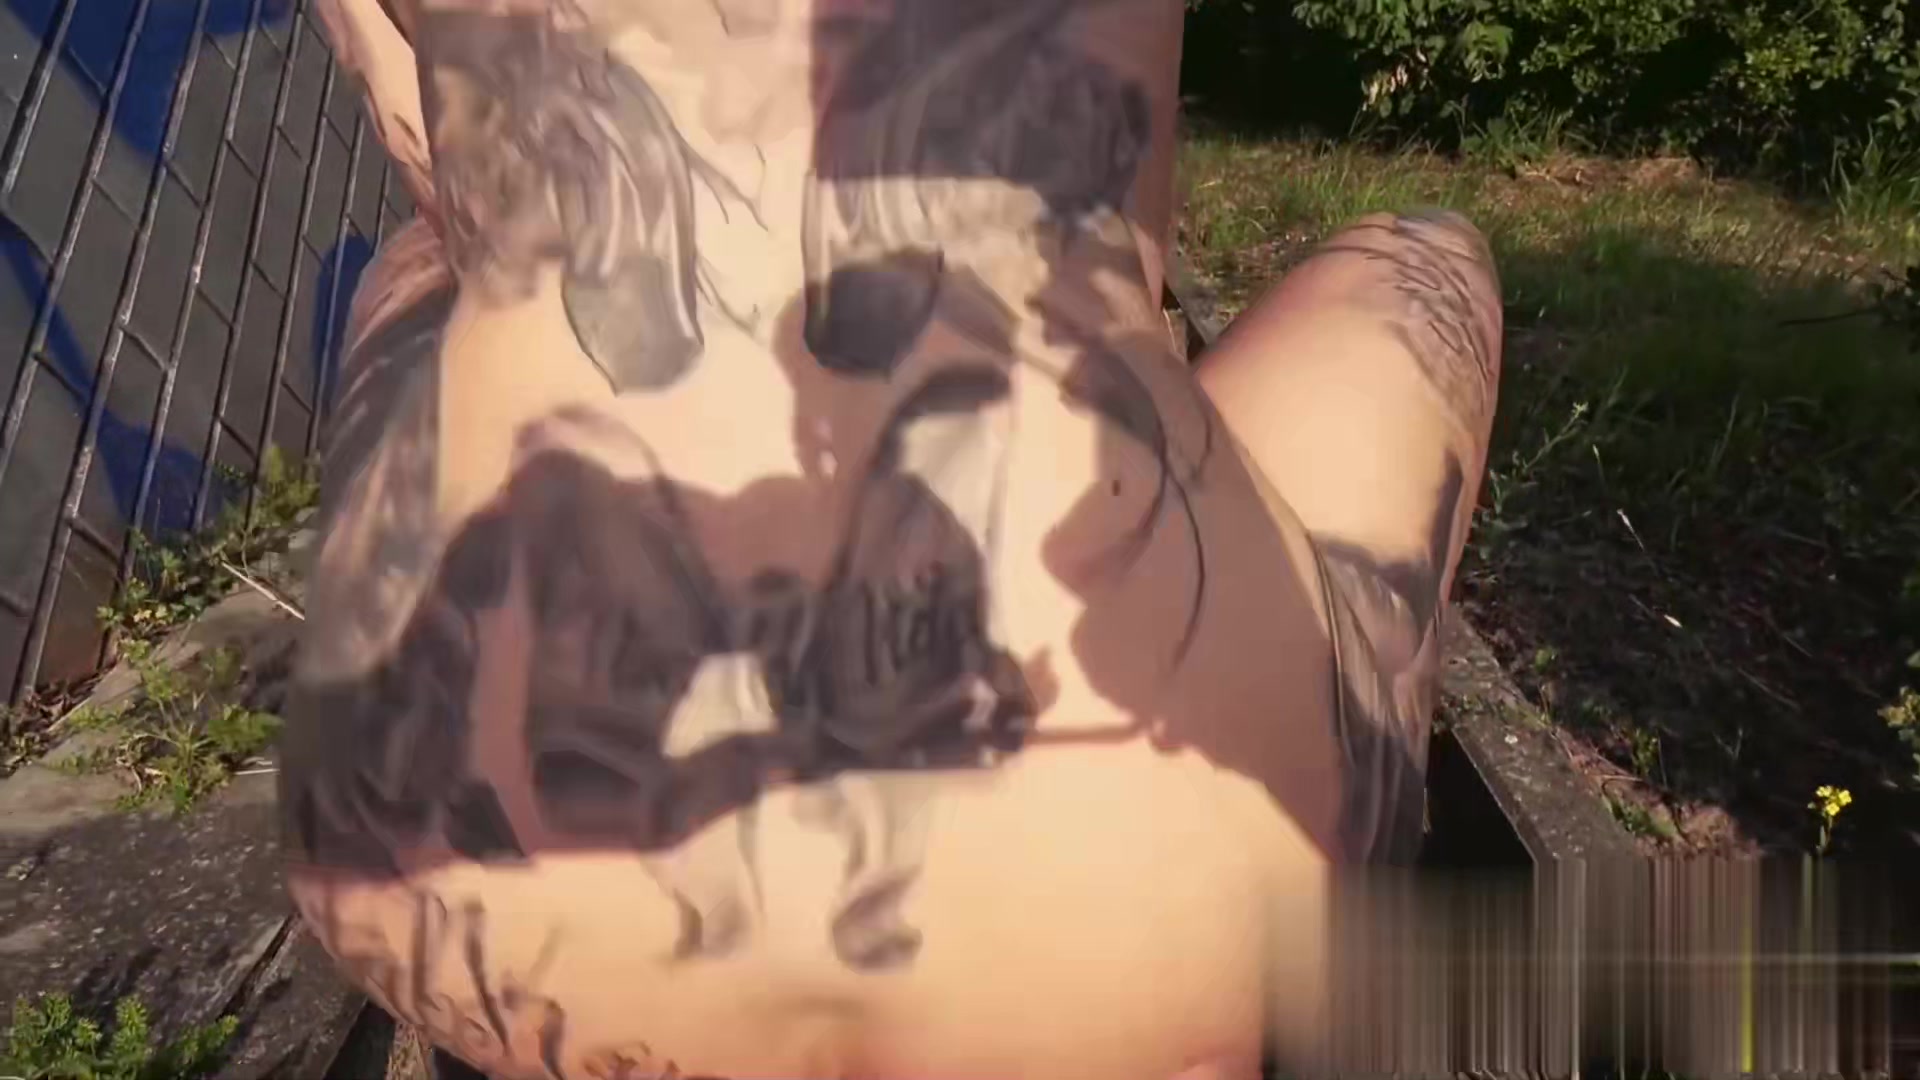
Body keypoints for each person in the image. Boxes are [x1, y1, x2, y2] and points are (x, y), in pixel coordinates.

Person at [280, 0, 1504, 1077]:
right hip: (1136, 902)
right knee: (1424, 257)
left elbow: (423, 146)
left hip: (443, 860)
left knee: (420, 270)